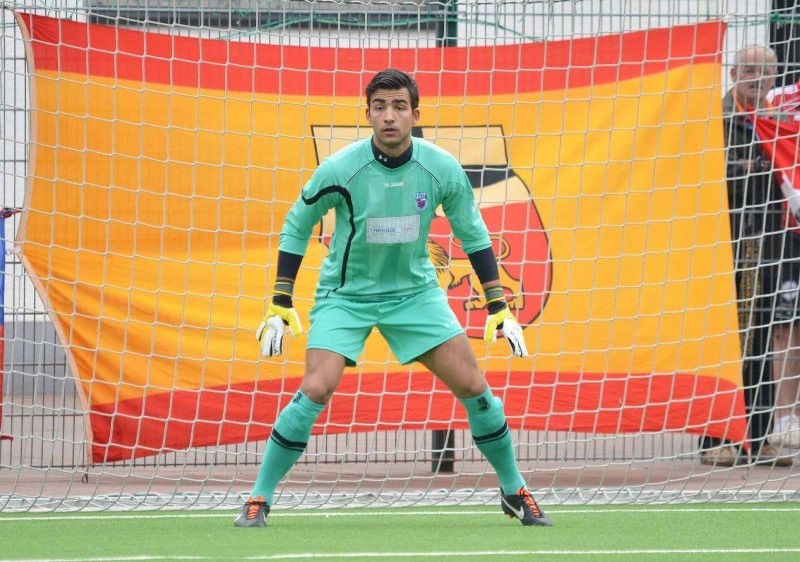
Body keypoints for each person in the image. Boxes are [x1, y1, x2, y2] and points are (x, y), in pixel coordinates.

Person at [234, 68, 553, 527]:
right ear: (367, 114)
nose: (389, 116)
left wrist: (499, 305)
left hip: (414, 295)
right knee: (316, 388)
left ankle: (514, 490)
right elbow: (296, 225)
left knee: (474, 387)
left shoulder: (440, 168)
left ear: (415, 115)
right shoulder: (340, 168)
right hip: (346, 297)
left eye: (399, 106)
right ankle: (259, 499)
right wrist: (281, 301)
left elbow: (473, 233)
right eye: (380, 107)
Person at [700, 45, 793, 467]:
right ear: (734, 73)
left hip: (768, 243)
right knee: (721, 340)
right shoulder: (714, 119)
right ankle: (715, 439)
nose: (758, 78)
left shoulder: (781, 121)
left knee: (761, 337)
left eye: (766, 71)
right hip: (722, 245)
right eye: (750, 70)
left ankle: (760, 436)